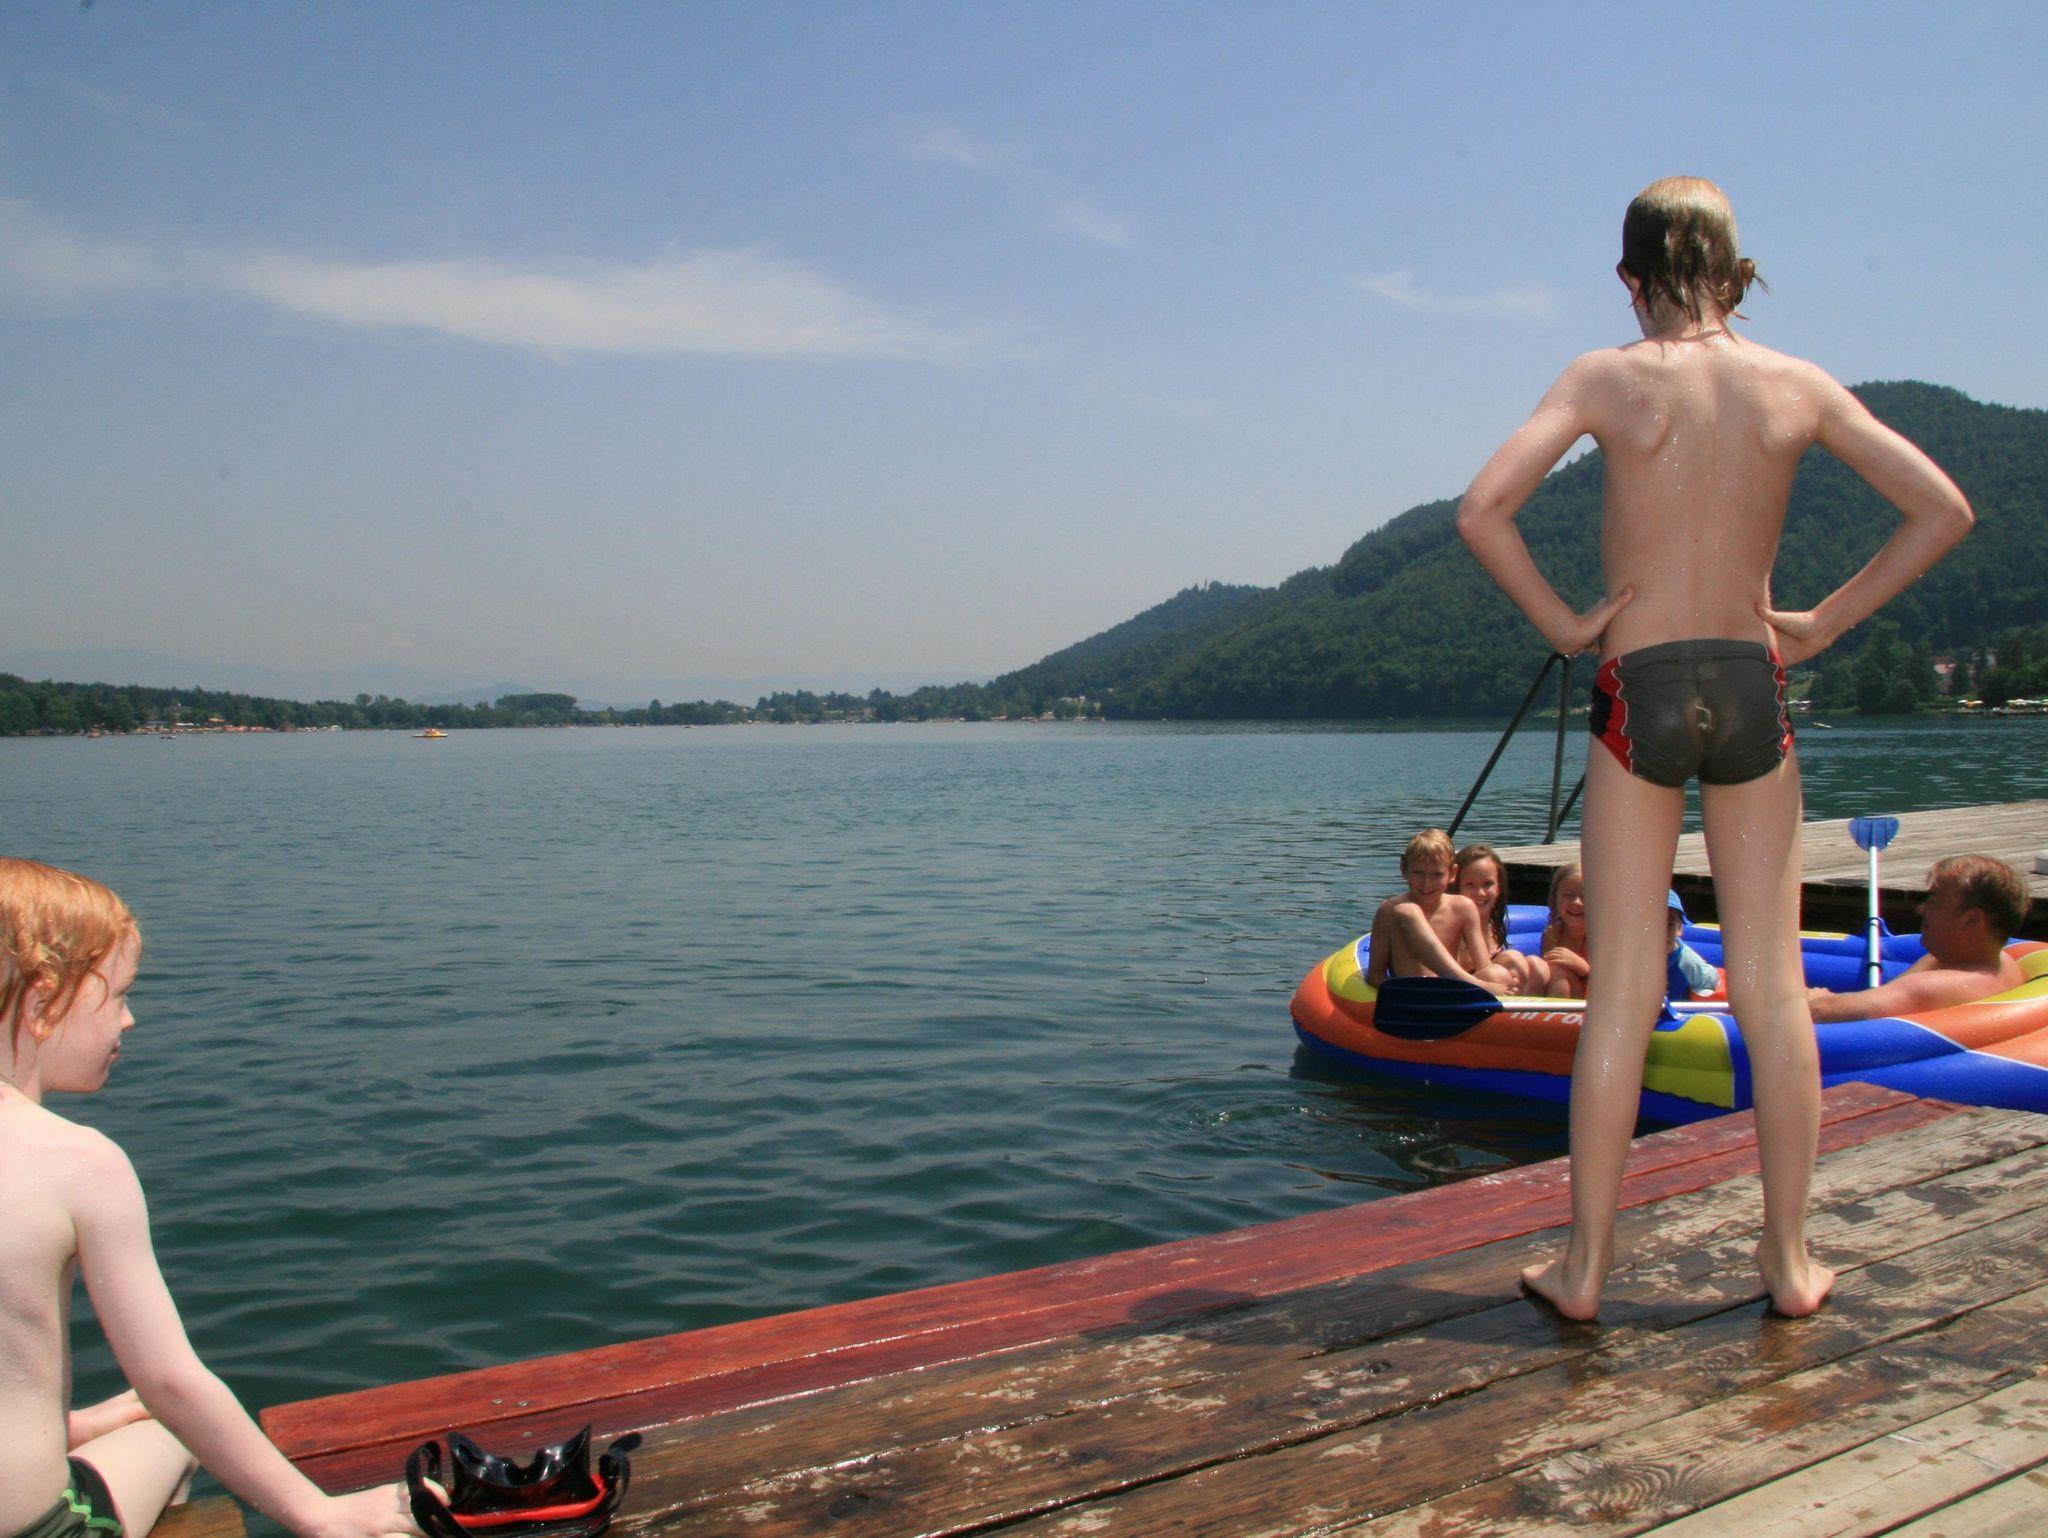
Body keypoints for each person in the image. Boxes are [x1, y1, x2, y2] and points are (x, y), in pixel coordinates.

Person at [1457, 176, 1973, 1319]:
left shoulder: (1601, 378)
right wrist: (1820, 621)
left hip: (1636, 683)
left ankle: (1583, 1268)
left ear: (1627, 281)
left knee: (1622, 988)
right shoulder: (1792, 383)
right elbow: (1941, 509)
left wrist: (1562, 623)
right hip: (1749, 681)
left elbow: (1480, 509)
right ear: (1738, 279)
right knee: (1773, 988)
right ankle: (1786, 1262)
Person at [0, 858, 420, 1538]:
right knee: (170, 1434)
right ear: (43, 1002)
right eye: (118, 995)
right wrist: (321, 1513)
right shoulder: (78, 1163)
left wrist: (74, 1424)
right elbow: (172, 1384)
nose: (130, 1020)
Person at [1808, 855, 2029, 1023]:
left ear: (1971, 919)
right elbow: (1885, 993)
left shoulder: (1931, 988)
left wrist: (1813, 998)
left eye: (1934, 902)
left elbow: (1821, 1012)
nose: (1921, 909)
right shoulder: (2005, 966)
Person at [1365, 829, 1511, 991]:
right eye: (1418, 873)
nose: (1427, 883)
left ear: (1452, 873)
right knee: (1408, 911)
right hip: (1415, 993)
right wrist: (1398, 993)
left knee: (1497, 975)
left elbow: (1484, 967)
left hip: (1451, 992)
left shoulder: (1463, 907)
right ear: (1404, 870)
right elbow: (1375, 975)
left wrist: (1494, 980)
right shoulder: (1389, 911)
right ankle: (1465, 983)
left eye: (1437, 875)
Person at [1454, 843, 1550, 994]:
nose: (1480, 893)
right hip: (1463, 994)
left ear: (1498, 887)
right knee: (1510, 960)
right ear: (1457, 887)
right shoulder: (1453, 929)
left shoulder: (1493, 924)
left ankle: (1530, 1007)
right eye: (1470, 885)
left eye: (1487, 884)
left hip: (1497, 988)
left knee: (1537, 965)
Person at [1538, 864, 1590, 1001]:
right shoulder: (1553, 934)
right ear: (1555, 897)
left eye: (1586, 896)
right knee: (1549, 969)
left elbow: (1612, 987)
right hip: (1564, 998)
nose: (1576, 902)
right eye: (1568, 895)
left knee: (1557, 971)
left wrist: (1582, 967)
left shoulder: (1602, 939)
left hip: (1594, 1003)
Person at [1665, 890, 1720, 1002]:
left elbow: (1714, 983)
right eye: (1654, 924)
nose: (1662, 931)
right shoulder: (1632, 957)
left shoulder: (1687, 962)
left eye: (1670, 924)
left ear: (1679, 929)